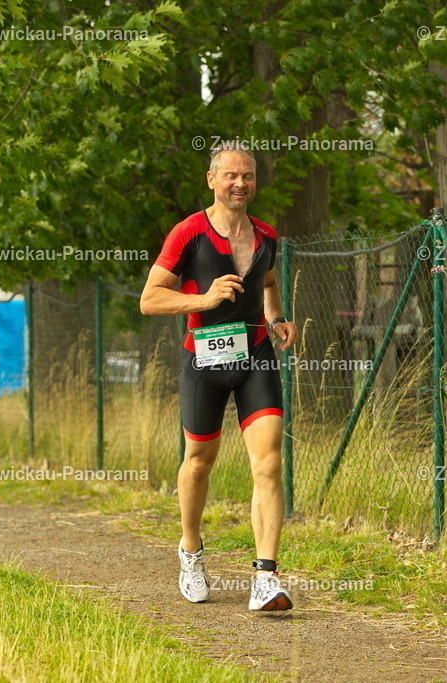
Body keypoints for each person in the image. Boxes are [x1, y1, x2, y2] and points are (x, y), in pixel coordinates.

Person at [139, 147, 298, 611]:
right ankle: (191, 551)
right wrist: (204, 301)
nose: (240, 184)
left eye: (248, 176)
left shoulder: (267, 234)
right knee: (200, 460)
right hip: (203, 359)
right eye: (231, 175)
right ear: (212, 178)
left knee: (268, 461)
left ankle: (265, 578)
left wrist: (277, 317)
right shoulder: (189, 232)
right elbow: (150, 299)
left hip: (256, 357)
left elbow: (267, 281)